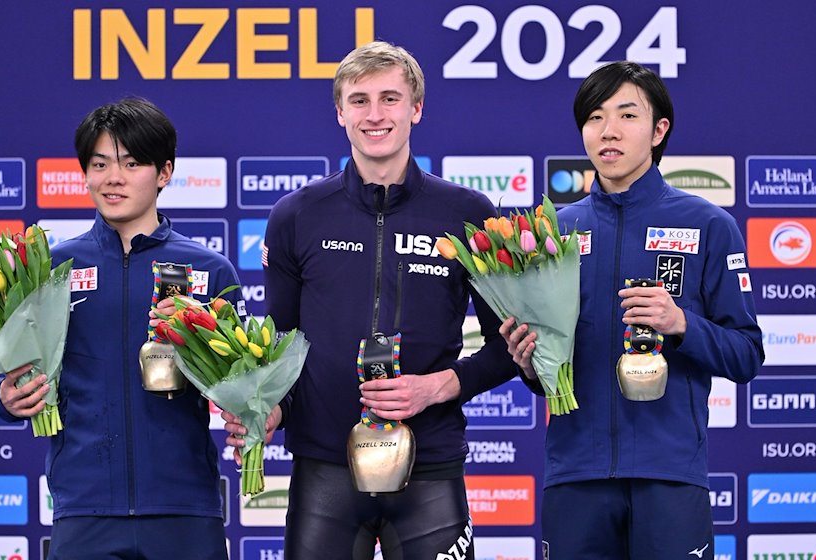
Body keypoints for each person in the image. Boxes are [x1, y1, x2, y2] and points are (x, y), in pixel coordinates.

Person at [222, 41, 516, 559]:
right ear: (339, 112)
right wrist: (273, 410)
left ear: (416, 109)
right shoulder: (296, 215)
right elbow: (282, 345)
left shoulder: (468, 213)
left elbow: (509, 349)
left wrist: (438, 387)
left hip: (430, 464)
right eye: (359, 100)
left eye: (390, 98)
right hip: (325, 467)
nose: (374, 114)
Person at [500, 61, 764, 559]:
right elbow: (548, 372)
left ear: (659, 129)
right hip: (575, 475)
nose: (609, 132)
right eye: (595, 118)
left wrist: (681, 323)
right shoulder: (551, 232)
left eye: (627, 115)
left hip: (670, 475)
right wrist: (529, 362)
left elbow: (747, 355)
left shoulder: (709, 225)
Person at [0, 97, 240, 559]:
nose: (113, 178)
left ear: (164, 172)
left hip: (184, 509)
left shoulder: (211, 270)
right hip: (85, 509)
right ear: (85, 172)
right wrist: (7, 399)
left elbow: (242, 383)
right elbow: (20, 370)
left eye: (131, 163)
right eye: (100, 163)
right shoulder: (51, 270)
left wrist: (250, 412)